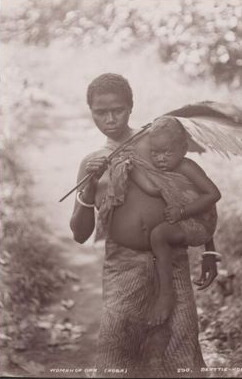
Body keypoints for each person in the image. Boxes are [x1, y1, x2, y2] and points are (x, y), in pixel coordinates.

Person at [70, 73, 220, 378]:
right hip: (122, 266)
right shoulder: (93, 162)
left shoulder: (157, 143)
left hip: (173, 261)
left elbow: (193, 192)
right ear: (91, 112)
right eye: (101, 112)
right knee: (118, 348)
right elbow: (79, 233)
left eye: (118, 110)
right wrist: (89, 186)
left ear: (131, 107)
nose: (110, 119)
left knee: (180, 344)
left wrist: (208, 251)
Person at [119, 116, 221, 327]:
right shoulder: (162, 170)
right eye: (155, 153)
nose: (161, 159)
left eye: (167, 152)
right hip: (189, 220)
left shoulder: (187, 167)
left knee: (159, 235)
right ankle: (164, 291)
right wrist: (131, 167)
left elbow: (213, 195)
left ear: (183, 149)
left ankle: (166, 296)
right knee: (159, 235)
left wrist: (182, 212)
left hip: (200, 222)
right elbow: (152, 189)